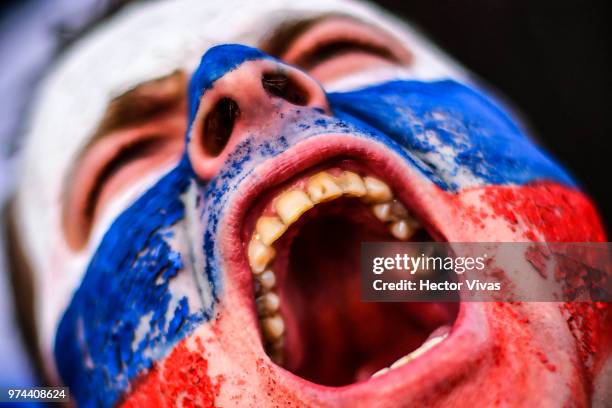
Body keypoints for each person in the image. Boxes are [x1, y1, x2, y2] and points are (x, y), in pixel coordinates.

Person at [3, 0, 609, 406]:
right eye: (125, 160)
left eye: (338, 51)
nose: (237, 77)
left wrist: (575, 283)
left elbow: (556, 272)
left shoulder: (399, 271)